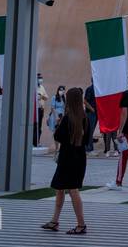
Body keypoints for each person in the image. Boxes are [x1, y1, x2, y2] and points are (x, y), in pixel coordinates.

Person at [42, 86, 88, 234]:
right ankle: (54, 221)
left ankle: (81, 224)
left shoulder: (68, 118)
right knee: (61, 188)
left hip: (67, 158)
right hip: (79, 157)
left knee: (71, 189)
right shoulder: (84, 118)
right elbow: (87, 140)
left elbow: (58, 137)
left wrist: (58, 124)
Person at [83, 82, 98, 154]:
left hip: (96, 113)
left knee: (91, 131)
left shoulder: (98, 89)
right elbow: (85, 101)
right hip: (90, 113)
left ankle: (89, 147)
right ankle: (89, 148)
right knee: (90, 130)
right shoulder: (90, 89)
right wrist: (92, 109)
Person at [34, 74, 48, 147]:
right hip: (34, 110)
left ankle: (37, 142)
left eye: (41, 78)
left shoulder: (42, 87)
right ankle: (33, 142)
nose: (40, 79)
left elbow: (46, 97)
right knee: (34, 125)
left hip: (40, 109)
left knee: (39, 126)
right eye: (39, 78)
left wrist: (41, 96)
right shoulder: (33, 87)